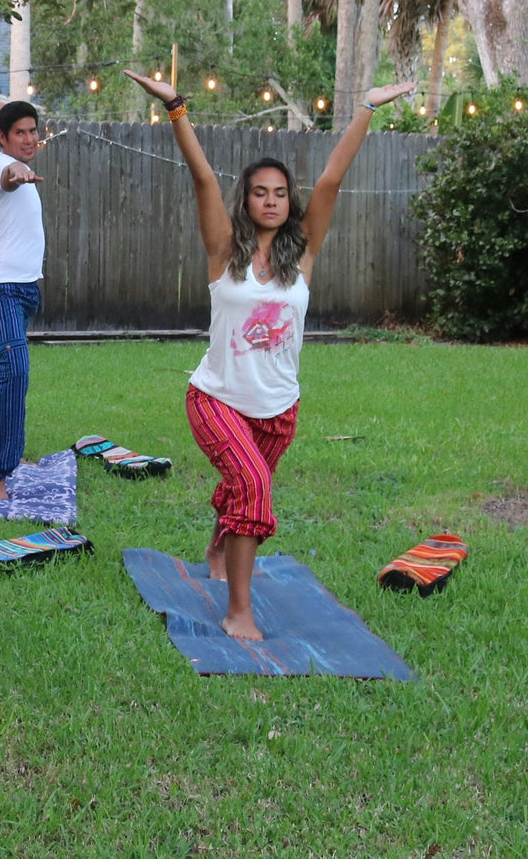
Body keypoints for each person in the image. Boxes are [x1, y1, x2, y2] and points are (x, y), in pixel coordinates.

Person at [125, 69, 416, 640]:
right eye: (261, 192)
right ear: (247, 199)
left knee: (244, 488)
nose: (272, 201)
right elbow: (203, 178)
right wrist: (176, 107)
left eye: (280, 193)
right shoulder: (222, 252)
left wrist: (368, 108)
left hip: (279, 410)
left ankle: (216, 544)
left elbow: (331, 181)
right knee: (253, 488)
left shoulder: (302, 253)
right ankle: (239, 610)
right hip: (217, 399)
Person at [0, 101, 46, 499]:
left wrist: (24, 173)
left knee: (1, 367)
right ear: (3, 137)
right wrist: (15, 171)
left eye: (33, 131)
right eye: (20, 132)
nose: (30, 138)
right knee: (16, 369)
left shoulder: (27, 175)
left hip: (25, 289)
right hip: (0, 288)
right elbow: (6, 175)